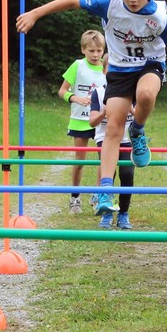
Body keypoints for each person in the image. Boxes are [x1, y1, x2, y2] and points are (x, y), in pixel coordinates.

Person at [17, 0, 167, 216]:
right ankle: (105, 190)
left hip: (150, 66)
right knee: (114, 128)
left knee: (146, 94)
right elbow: (72, 1)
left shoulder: (161, 19)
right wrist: (35, 13)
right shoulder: (109, 5)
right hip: (118, 70)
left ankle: (138, 131)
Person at [58, 30, 107, 214]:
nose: (95, 55)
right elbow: (62, 91)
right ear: (83, 50)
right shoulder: (77, 66)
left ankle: (98, 196)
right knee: (80, 161)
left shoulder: (106, 67)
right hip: (80, 120)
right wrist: (75, 98)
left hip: (101, 121)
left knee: (104, 160)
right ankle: (75, 198)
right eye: (91, 51)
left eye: (99, 50)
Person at [89, 53, 135, 229]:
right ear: (104, 71)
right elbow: (92, 121)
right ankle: (107, 213)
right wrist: (103, 113)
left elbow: (141, 117)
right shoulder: (99, 93)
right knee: (109, 173)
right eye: (111, 68)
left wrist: (129, 108)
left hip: (126, 139)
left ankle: (123, 213)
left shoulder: (133, 91)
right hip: (105, 138)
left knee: (127, 173)